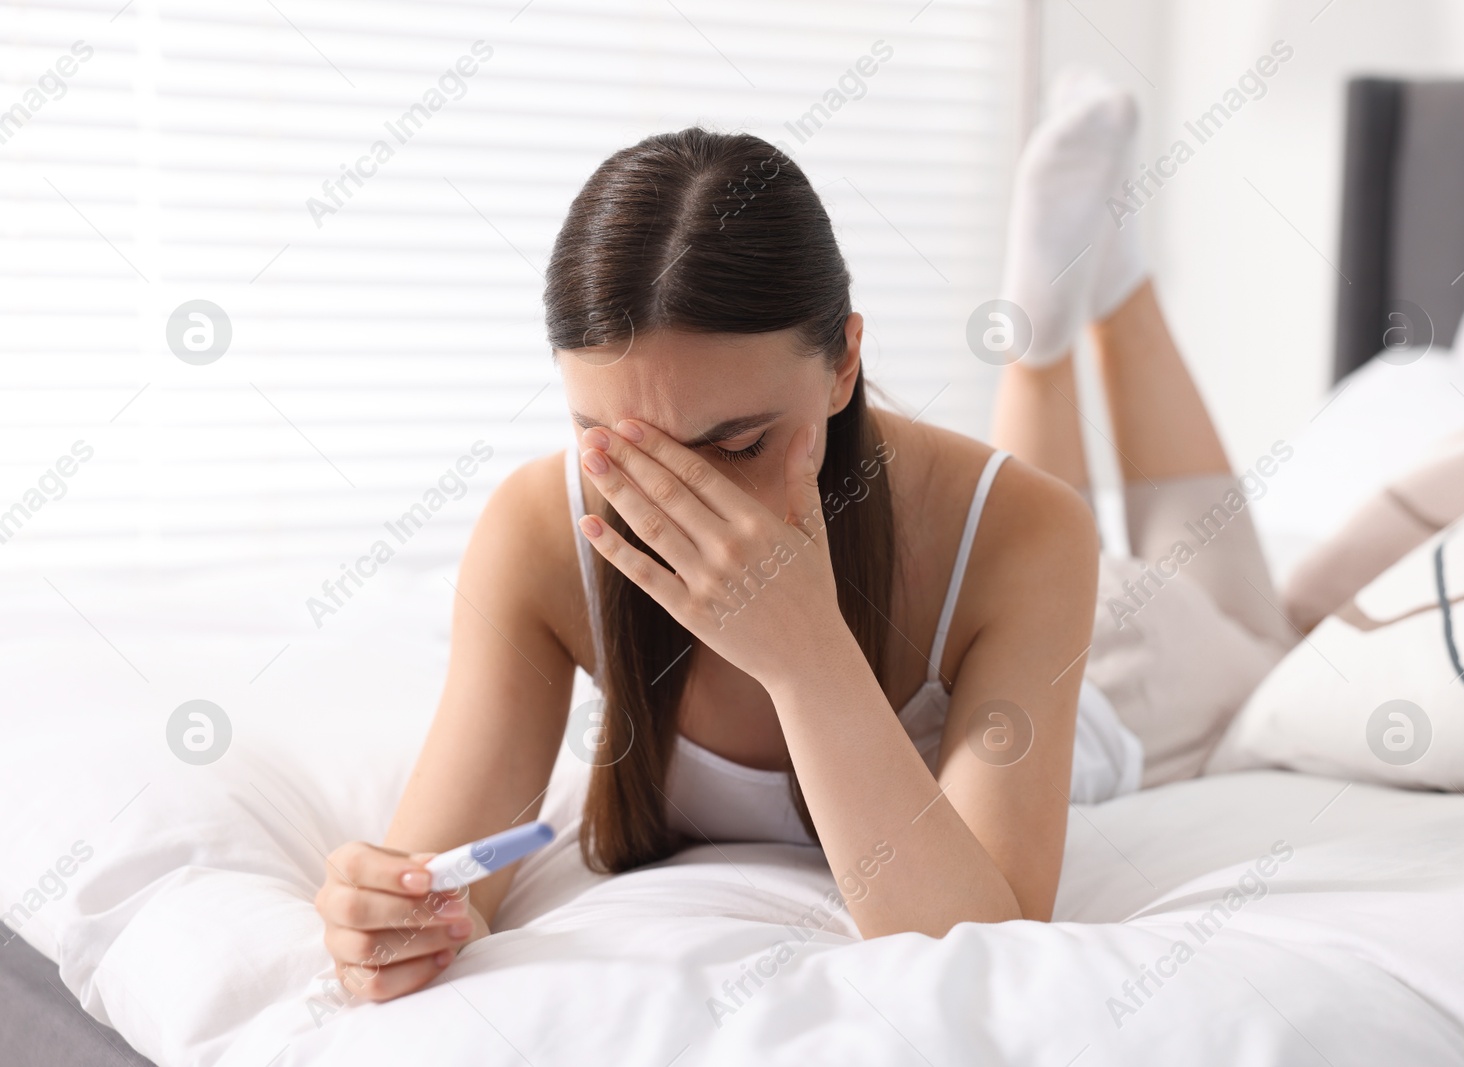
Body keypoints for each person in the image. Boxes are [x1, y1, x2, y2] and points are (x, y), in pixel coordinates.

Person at [313, 72, 1295, 1003]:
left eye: (736, 443)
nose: (679, 495)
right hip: (1004, 560)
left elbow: (977, 934)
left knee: (1259, 634)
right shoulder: (540, 530)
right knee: (1024, 503)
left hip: (1125, 667)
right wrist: (386, 916)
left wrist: (805, 654)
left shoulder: (1032, 533)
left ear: (843, 365)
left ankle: (1109, 292)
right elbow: (439, 884)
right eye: (611, 445)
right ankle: (1049, 318)